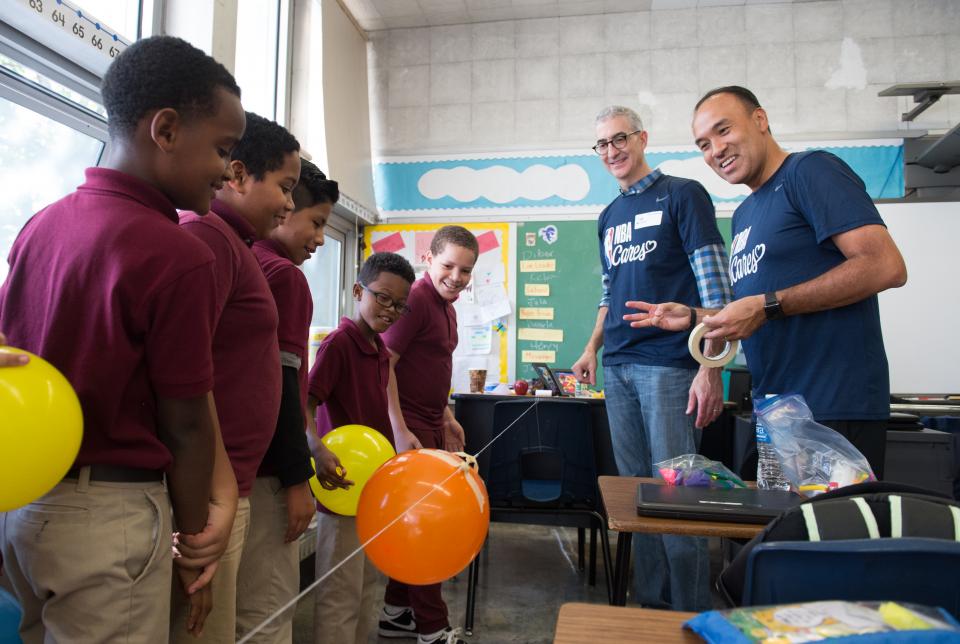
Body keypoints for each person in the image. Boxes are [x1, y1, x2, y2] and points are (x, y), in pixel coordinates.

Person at [0, 36, 244, 641]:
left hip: (24, 511)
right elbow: (185, 421)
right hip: (108, 517)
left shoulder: (41, 225)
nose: (226, 171)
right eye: (221, 149)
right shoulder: (178, 255)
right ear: (165, 129)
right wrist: (195, 546)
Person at [626, 86, 907, 478]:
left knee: (828, 537)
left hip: (832, 408)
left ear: (760, 120)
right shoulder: (744, 215)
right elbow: (754, 311)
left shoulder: (810, 171)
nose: (716, 150)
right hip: (776, 413)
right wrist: (696, 316)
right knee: (778, 538)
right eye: (704, 144)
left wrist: (767, 305)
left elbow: (884, 266)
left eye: (723, 131)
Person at [570, 105, 731, 612]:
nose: (611, 151)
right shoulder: (608, 217)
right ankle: (653, 615)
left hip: (668, 366)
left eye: (619, 139)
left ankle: (689, 616)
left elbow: (717, 289)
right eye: (602, 144)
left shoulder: (683, 195)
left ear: (641, 139)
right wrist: (591, 346)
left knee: (677, 501)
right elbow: (608, 291)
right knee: (636, 499)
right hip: (617, 368)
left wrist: (710, 369)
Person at [171, 112, 301, 643]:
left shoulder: (233, 243)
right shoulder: (207, 237)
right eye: (286, 187)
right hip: (212, 492)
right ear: (239, 174)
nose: (291, 204)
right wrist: (213, 498)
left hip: (229, 487)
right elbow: (186, 377)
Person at [238, 159, 340, 642]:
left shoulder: (237, 255)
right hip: (267, 474)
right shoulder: (283, 277)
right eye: (316, 223)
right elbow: (281, 385)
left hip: (227, 471)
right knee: (266, 611)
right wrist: (298, 480)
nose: (320, 239)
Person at [307, 252, 416, 644]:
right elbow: (306, 403)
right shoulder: (338, 344)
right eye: (383, 298)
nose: (391, 311)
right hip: (343, 489)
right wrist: (316, 449)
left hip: (375, 490)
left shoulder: (380, 350)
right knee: (339, 594)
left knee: (368, 587)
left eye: (400, 305)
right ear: (358, 291)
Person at [378, 225, 478, 644]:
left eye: (466, 270)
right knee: (427, 530)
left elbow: (432, 370)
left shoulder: (448, 307)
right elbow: (384, 364)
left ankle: (396, 612)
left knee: (413, 523)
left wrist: (448, 415)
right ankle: (433, 629)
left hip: (431, 423)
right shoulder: (416, 299)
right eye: (448, 265)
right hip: (409, 428)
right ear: (428, 260)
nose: (456, 276)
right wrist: (400, 429)